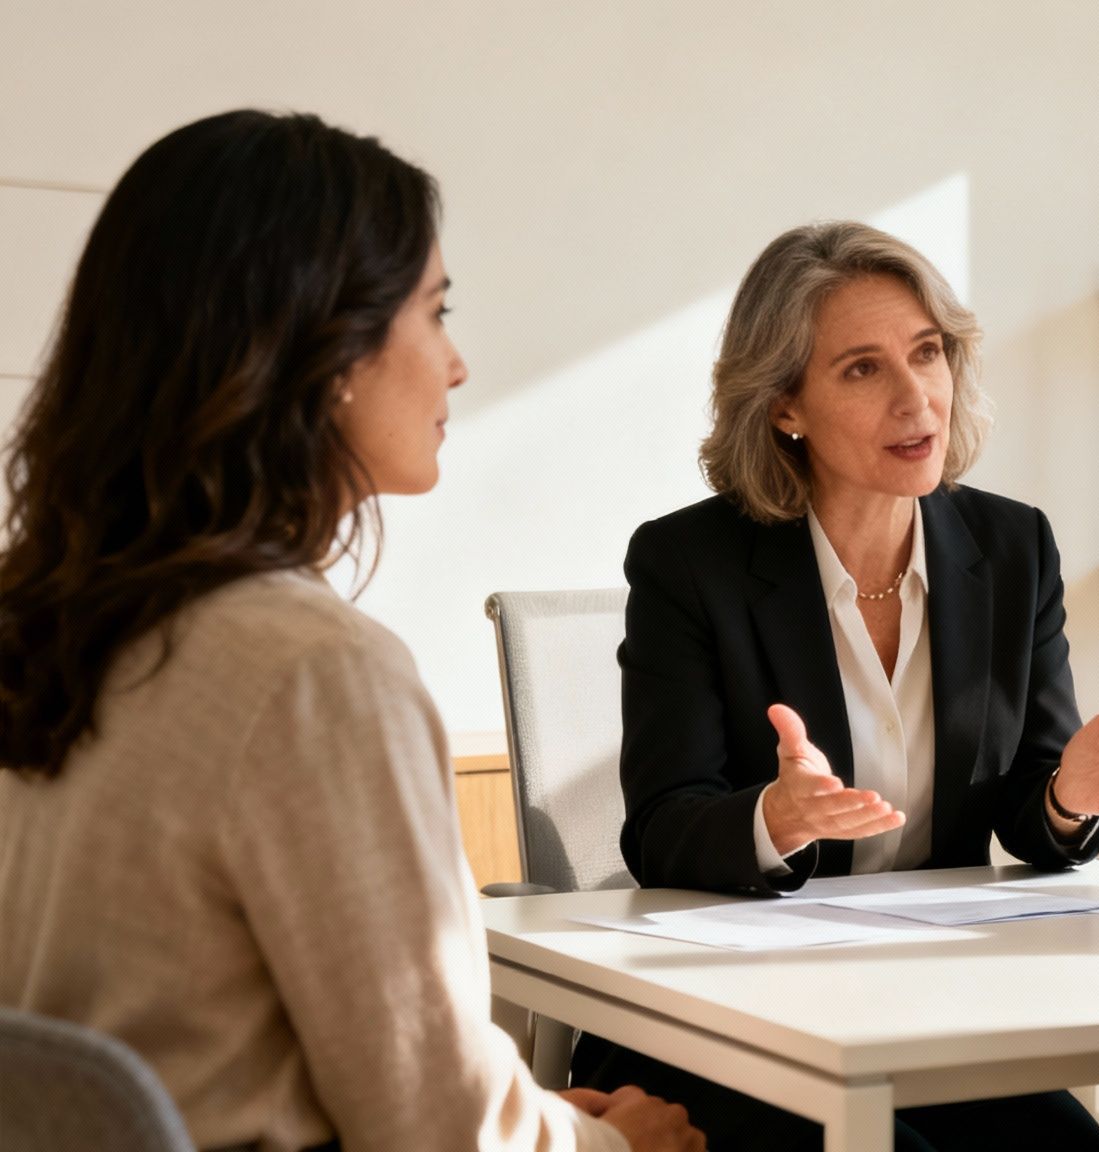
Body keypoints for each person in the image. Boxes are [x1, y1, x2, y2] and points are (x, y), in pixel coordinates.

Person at [0, 110, 702, 1152]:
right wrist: (616, 1147)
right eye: (436, 311)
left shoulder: (45, 623)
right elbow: (436, 1131)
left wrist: (541, 1118)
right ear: (327, 349)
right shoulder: (311, 673)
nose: (457, 365)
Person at [573, 221, 1099, 1151]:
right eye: (863, 369)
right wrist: (776, 818)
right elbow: (661, 827)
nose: (916, 398)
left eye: (928, 354)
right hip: (725, 1023)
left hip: (924, 1007)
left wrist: (1067, 795)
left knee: (1073, 1151)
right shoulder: (688, 563)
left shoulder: (1012, 549)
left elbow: (1028, 816)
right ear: (785, 405)